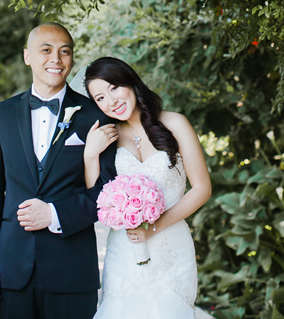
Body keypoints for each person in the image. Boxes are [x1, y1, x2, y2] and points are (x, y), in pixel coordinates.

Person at [0, 23, 116, 319]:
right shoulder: (1, 114)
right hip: (12, 270)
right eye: (46, 50)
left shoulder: (96, 114)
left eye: (65, 51)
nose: (56, 58)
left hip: (72, 271)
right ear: (27, 56)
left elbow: (108, 192)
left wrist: (54, 214)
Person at [82, 57, 211, 319]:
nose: (112, 101)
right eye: (100, 98)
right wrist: (90, 155)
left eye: (114, 88)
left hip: (171, 245)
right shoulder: (109, 136)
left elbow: (201, 189)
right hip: (124, 249)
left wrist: (154, 226)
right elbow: (94, 193)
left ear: (130, 82)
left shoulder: (175, 124)